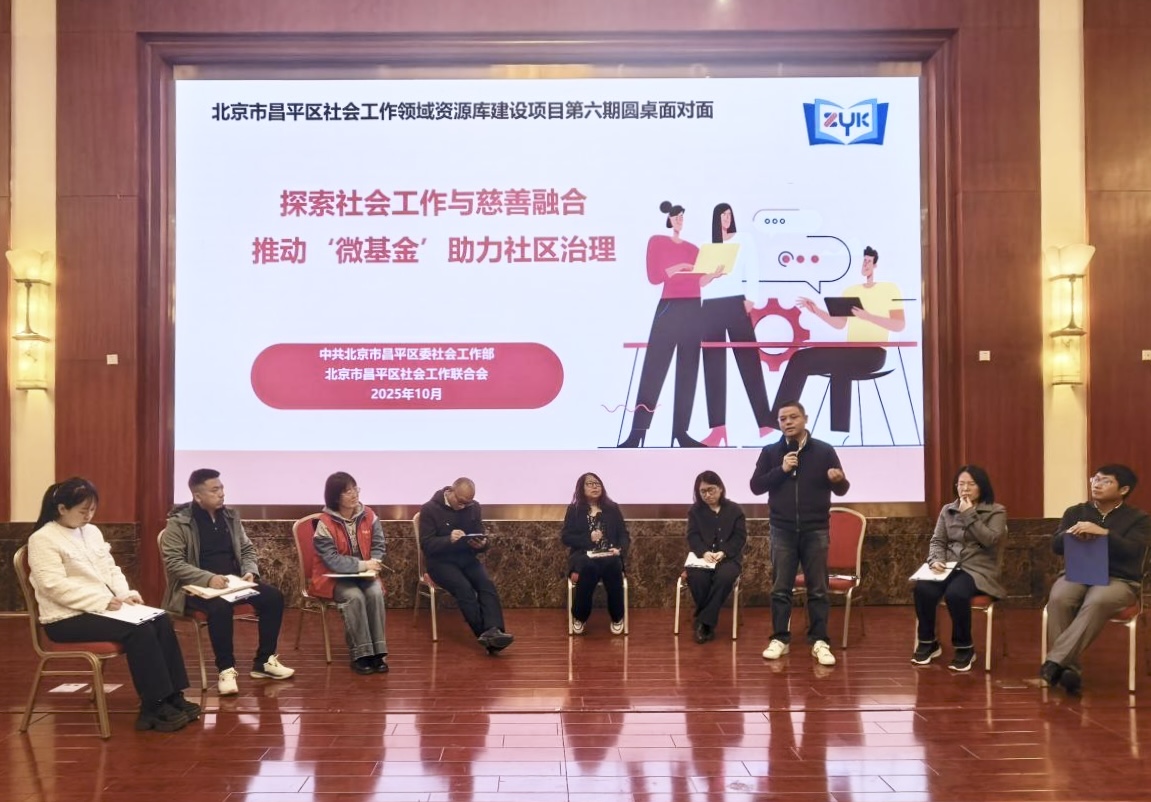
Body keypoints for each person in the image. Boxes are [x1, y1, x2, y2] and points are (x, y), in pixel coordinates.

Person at [26, 477, 200, 732]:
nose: (88, 516)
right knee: (139, 630)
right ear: (62, 509)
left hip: (99, 609)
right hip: (65, 618)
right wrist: (103, 601)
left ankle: (173, 695)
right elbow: (53, 586)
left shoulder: (91, 532)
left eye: (92, 510)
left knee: (161, 619)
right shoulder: (43, 539)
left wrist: (124, 593)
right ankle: (153, 706)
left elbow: (110, 568)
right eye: (83, 511)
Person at [161, 468, 295, 696]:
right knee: (220, 607)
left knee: (273, 597)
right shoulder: (179, 523)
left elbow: (247, 549)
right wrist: (208, 578)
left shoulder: (230, 517)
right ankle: (226, 669)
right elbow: (174, 563)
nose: (221, 493)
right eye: (215, 490)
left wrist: (249, 571)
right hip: (195, 589)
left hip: (233, 583)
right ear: (197, 496)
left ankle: (264, 661)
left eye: (221, 488)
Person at [750, 401, 849, 666]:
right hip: (782, 530)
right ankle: (779, 639)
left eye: (793, 417)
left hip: (815, 529)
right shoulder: (771, 452)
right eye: (783, 419)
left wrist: (838, 480)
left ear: (805, 418)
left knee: (818, 589)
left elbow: (842, 489)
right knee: (781, 589)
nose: (788, 422)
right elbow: (756, 486)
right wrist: (781, 470)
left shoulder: (824, 451)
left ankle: (819, 641)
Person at [1041, 464, 1151, 694]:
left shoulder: (1138, 518)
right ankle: (1068, 669)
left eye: (1106, 481)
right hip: (1078, 573)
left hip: (1119, 579)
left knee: (1098, 600)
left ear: (1123, 489)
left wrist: (1105, 534)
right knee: (1060, 597)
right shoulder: (1076, 512)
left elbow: (1133, 551)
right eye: (1096, 479)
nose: (1097, 485)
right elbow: (1056, 546)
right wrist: (1069, 534)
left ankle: (1055, 662)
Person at [771, 245, 905, 433]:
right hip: (850, 352)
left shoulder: (889, 289)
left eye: (868, 261)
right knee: (803, 359)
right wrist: (816, 311)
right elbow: (840, 324)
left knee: (835, 364)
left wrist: (868, 317)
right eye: (863, 261)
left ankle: (836, 431)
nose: (865, 264)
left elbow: (899, 325)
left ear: (875, 264)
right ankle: (779, 422)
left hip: (874, 354)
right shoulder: (851, 290)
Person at [618, 200, 711, 448]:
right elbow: (655, 276)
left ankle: (681, 433)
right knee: (653, 370)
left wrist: (713, 274)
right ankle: (637, 433)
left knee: (688, 371)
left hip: (693, 308)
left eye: (682, 216)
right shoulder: (657, 242)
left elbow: (700, 282)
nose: (680, 220)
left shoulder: (694, 248)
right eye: (676, 216)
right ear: (667, 218)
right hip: (669, 307)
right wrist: (680, 267)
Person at [911, 465, 1007, 671]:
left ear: (981, 486)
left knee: (956, 593)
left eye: (971, 484)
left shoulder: (996, 511)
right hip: (949, 566)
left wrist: (969, 513)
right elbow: (938, 541)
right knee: (923, 588)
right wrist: (935, 560)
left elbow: (990, 540)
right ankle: (928, 642)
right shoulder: (948, 510)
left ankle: (965, 647)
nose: (965, 489)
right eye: (961, 484)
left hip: (979, 569)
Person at [699, 203, 774, 447]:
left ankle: (765, 423)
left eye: (729, 214)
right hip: (710, 307)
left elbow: (752, 269)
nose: (727, 218)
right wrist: (712, 275)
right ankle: (717, 429)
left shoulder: (743, 239)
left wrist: (751, 300)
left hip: (736, 303)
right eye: (723, 214)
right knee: (713, 367)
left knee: (749, 361)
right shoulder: (707, 246)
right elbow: (701, 281)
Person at [418, 477, 514, 653]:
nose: (463, 506)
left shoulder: (473, 507)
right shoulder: (429, 509)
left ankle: (495, 630)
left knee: (486, 584)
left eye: (467, 503)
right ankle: (485, 634)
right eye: (461, 501)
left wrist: (481, 544)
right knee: (464, 588)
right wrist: (448, 539)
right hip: (440, 562)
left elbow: (480, 535)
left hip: (466, 558)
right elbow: (427, 545)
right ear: (451, 492)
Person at [311, 472, 389, 674]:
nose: (354, 494)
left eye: (355, 489)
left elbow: (379, 545)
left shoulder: (369, 515)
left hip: (365, 574)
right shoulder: (324, 523)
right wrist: (363, 565)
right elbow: (332, 560)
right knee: (354, 596)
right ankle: (361, 654)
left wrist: (375, 563)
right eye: (348, 491)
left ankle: (378, 653)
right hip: (332, 578)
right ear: (336, 497)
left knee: (375, 593)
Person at [560, 472, 630, 635]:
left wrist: (619, 548)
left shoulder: (612, 508)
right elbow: (566, 537)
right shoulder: (574, 510)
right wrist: (589, 538)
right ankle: (580, 616)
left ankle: (617, 617)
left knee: (613, 566)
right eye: (590, 484)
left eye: (597, 484)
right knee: (589, 567)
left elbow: (623, 534)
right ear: (581, 488)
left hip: (609, 554)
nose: (595, 487)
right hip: (584, 556)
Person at [685, 470, 746, 643]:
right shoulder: (695, 511)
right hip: (702, 558)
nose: (707, 495)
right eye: (702, 491)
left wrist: (724, 552)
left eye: (710, 489)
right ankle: (707, 623)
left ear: (720, 488)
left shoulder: (735, 510)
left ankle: (703, 622)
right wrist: (704, 552)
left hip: (728, 558)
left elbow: (739, 537)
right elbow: (692, 536)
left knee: (724, 577)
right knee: (697, 577)